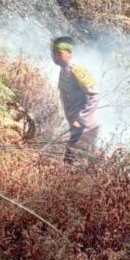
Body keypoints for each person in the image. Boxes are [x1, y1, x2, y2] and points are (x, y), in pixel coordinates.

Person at [50, 36, 100, 164]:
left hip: (86, 128)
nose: (55, 57)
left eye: (59, 53)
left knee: (73, 165)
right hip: (77, 127)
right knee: (71, 164)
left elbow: (94, 95)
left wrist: (80, 119)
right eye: (53, 53)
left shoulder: (77, 70)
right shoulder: (63, 71)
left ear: (69, 53)